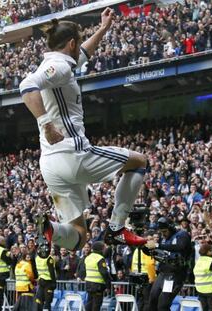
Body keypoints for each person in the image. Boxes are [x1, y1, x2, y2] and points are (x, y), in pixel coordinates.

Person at [19, 8, 147, 252]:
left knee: (79, 237)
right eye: (77, 42)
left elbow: (84, 53)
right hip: (73, 154)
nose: (80, 48)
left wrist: (103, 29)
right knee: (139, 161)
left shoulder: (59, 62)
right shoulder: (60, 68)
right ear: (70, 43)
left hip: (50, 165)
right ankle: (118, 228)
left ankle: (51, 230)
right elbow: (27, 85)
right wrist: (46, 123)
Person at [145, 217, 192, 311]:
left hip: (174, 275)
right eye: (161, 232)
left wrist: (158, 245)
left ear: (171, 228)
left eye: (165, 231)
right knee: (152, 301)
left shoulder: (182, 234)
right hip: (163, 273)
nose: (163, 234)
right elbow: (161, 254)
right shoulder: (165, 239)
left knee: (163, 305)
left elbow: (180, 246)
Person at [83, 241, 111, 311]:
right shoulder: (100, 258)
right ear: (100, 249)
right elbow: (104, 273)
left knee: (89, 304)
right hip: (97, 285)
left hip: (88, 284)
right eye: (104, 247)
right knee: (96, 305)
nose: (105, 249)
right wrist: (108, 285)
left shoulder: (88, 257)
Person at [193, 243, 212, 311]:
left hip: (200, 290)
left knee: (204, 309)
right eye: (211, 250)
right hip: (211, 290)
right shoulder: (211, 261)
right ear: (208, 252)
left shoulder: (198, 261)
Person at [35, 242, 56, 311]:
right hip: (48, 282)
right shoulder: (49, 259)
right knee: (47, 301)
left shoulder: (37, 258)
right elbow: (52, 272)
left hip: (41, 281)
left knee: (39, 299)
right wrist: (54, 283)